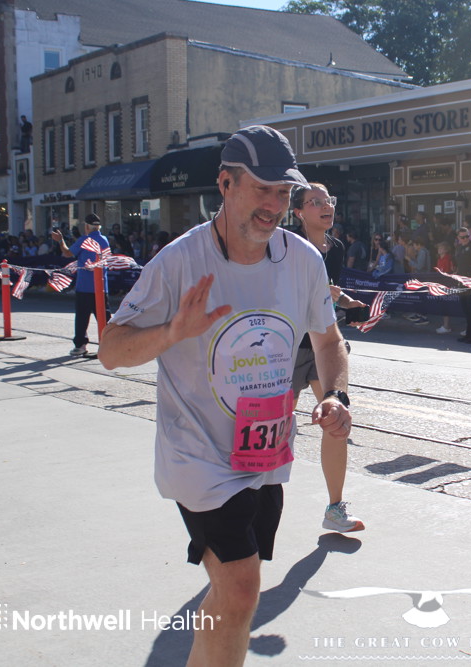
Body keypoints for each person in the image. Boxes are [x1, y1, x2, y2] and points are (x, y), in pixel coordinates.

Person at [98, 125, 349, 667]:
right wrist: (172, 332)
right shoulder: (180, 261)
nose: (274, 204)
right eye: (261, 189)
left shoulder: (303, 259)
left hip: (265, 453)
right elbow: (111, 350)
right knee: (239, 585)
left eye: (283, 192)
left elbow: (328, 341)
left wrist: (335, 396)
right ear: (225, 184)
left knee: (236, 598)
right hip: (198, 455)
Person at [289, 182, 367, 532]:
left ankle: (335, 509)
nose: (326, 206)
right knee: (273, 428)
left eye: (329, 200)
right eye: (315, 202)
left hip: (323, 346)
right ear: (298, 212)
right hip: (288, 348)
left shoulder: (335, 248)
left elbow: (328, 292)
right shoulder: (286, 246)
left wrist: (348, 302)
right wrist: (323, 294)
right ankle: (252, 503)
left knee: (337, 421)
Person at [51, 213, 111, 357]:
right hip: (101, 286)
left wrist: (60, 241)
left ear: (87, 226)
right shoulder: (104, 240)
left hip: (85, 286)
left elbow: (67, 253)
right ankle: (110, 344)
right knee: (104, 317)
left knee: (82, 317)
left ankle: (80, 345)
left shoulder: (85, 240)